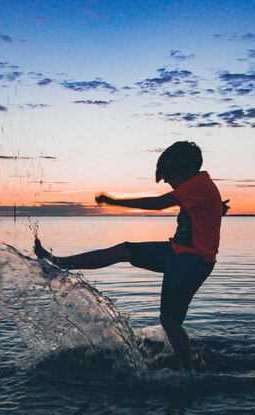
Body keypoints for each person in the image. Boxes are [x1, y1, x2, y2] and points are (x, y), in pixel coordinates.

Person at [34, 141, 228, 370]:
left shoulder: (198, 185)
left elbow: (158, 204)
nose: (166, 181)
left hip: (190, 261)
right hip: (181, 256)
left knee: (170, 321)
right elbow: (207, 211)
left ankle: (189, 372)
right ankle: (57, 263)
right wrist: (218, 208)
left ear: (183, 170)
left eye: (169, 175)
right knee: (123, 251)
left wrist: (114, 201)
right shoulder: (200, 186)